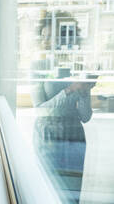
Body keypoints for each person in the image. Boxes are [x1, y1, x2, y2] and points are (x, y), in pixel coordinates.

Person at [30, 11, 94, 203]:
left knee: (72, 196)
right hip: (47, 135)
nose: (46, 41)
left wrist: (83, 92)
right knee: (48, 192)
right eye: (43, 36)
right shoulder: (38, 65)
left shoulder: (77, 67)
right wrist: (70, 90)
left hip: (74, 135)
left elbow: (85, 116)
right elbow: (40, 109)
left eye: (51, 36)